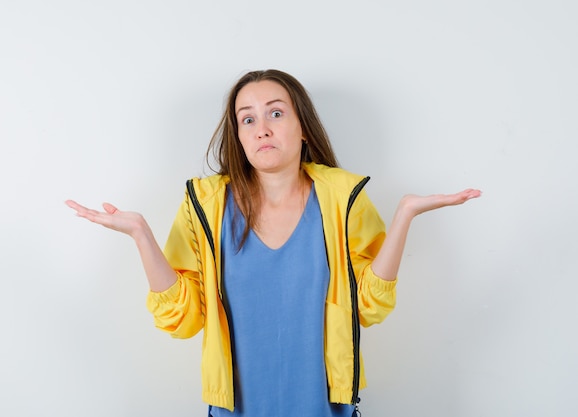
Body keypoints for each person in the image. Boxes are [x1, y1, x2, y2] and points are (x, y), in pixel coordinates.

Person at [65, 69, 481, 416]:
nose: (261, 128)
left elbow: (368, 306)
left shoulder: (342, 198)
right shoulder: (205, 205)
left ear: (302, 128)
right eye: (247, 119)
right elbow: (184, 318)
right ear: (239, 136)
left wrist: (405, 214)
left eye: (275, 113)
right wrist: (141, 235)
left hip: (324, 409)